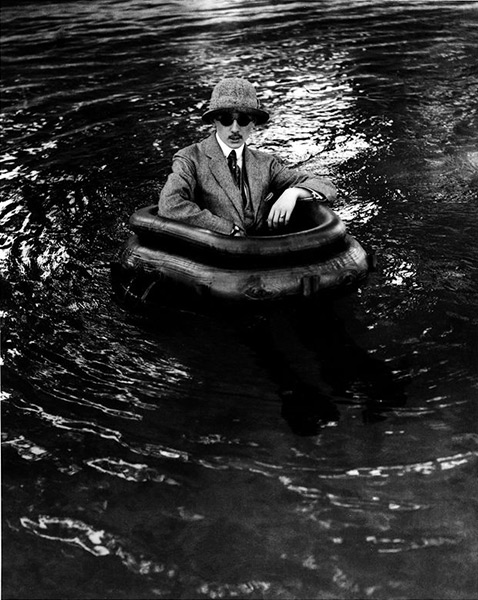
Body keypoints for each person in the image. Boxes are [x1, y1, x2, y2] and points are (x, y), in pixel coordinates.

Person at [157, 78, 337, 236]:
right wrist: (226, 229)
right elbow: (170, 204)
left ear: (253, 123)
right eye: (226, 119)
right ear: (214, 121)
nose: (235, 129)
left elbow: (325, 186)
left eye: (243, 120)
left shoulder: (266, 163)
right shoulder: (190, 158)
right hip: (214, 252)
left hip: (261, 251)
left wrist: (293, 192)